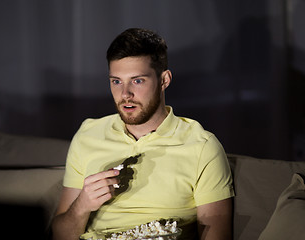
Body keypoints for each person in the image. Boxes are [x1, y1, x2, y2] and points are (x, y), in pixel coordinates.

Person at [51, 28, 234, 240]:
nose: (125, 94)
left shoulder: (202, 147)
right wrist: (82, 205)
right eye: (116, 81)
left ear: (164, 80)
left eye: (137, 81)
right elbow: (60, 235)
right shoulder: (88, 134)